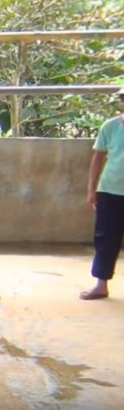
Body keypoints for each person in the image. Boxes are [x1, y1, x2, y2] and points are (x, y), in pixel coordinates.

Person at [81, 87, 124, 300]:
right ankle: (101, 284)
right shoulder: (111, 126)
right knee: (105, 238)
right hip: (110, 190)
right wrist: (92, 189)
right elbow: (98, 157)